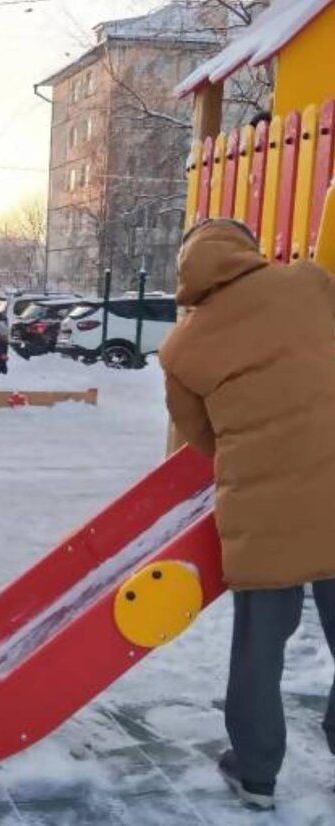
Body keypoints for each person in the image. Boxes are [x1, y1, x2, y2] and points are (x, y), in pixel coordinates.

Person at [159, 218, 335, 812]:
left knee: (260, 651)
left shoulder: (181, 348)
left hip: (263, 512)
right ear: (248, 250)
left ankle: (256, 775)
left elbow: (203, 439)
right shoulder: (310, 283)